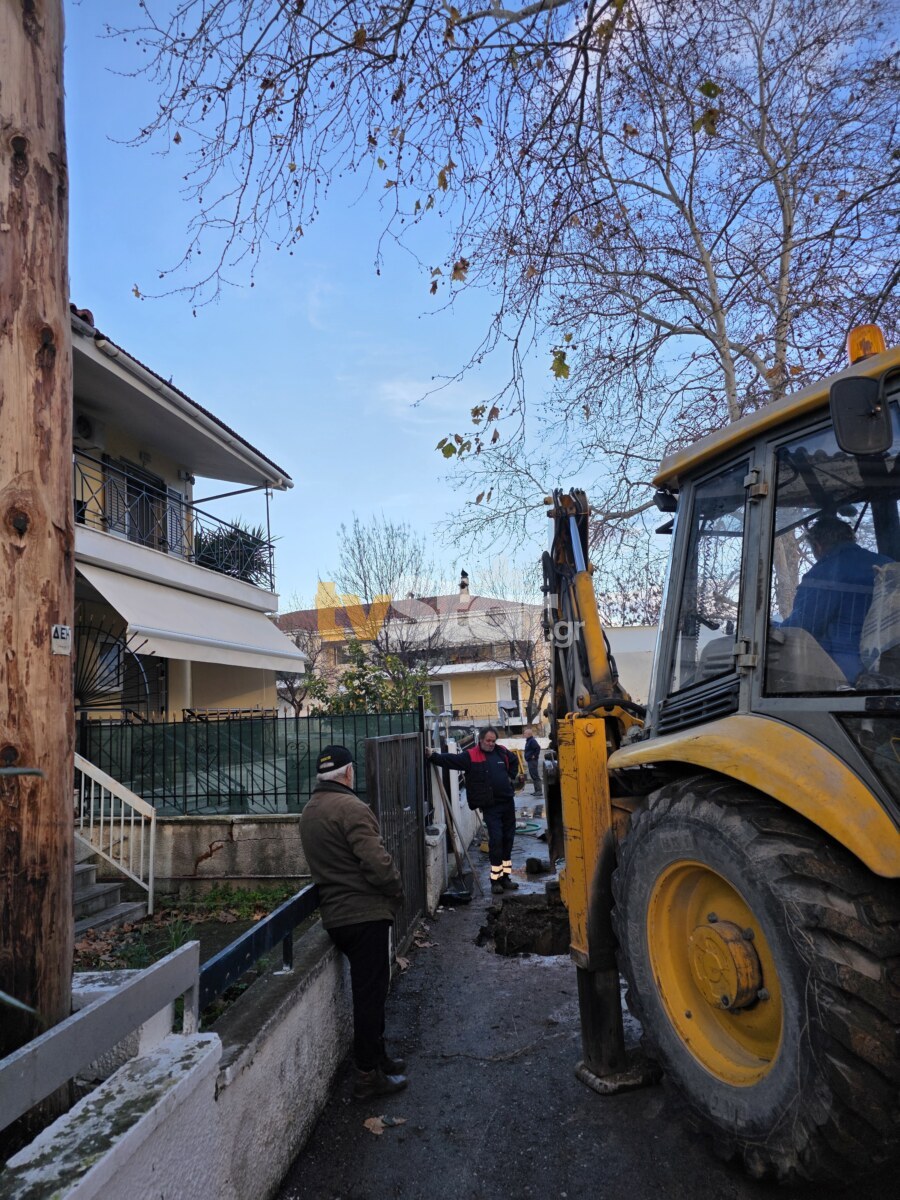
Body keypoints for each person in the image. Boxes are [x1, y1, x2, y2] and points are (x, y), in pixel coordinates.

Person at [299, 744, 408, 1100]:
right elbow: (377, 863)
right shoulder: (352, 808)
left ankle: (378, 1058)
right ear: (348, 773)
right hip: (364, 915)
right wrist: (397, 889)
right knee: (370, 996)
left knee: (369, 992)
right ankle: (366, 1076)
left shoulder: (310, 810)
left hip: (336, 916)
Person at [781, 516, 891, 682]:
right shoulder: (888, 564)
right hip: (890, 667)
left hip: (848, 675)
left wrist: (775, 630)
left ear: (818, 546)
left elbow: (802, 627)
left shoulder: (824, 573)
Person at [425, 725, 521, 895]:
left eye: (493, 741)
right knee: (496, 841)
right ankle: (495, 880)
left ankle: (506, 877)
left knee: (508, 840)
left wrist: (510, 776)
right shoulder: (471, 756)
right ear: (481, 740)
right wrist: (433, 756)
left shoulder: (502, 752)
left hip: (507, 803)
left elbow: (514, 761)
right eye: (488, 741)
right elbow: (451, 760)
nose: (491, 744)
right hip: (491, 806)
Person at [523, 727, 542, 795]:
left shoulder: (532, 741)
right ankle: (536, 791)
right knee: (533, 775)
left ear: (529, 734)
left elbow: (538, 748)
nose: (524, 734)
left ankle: (539, 791)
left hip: (532, 761)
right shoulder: (529, 741)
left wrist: (534, 756)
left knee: (535, 775)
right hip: (530, 761)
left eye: (525, 733)